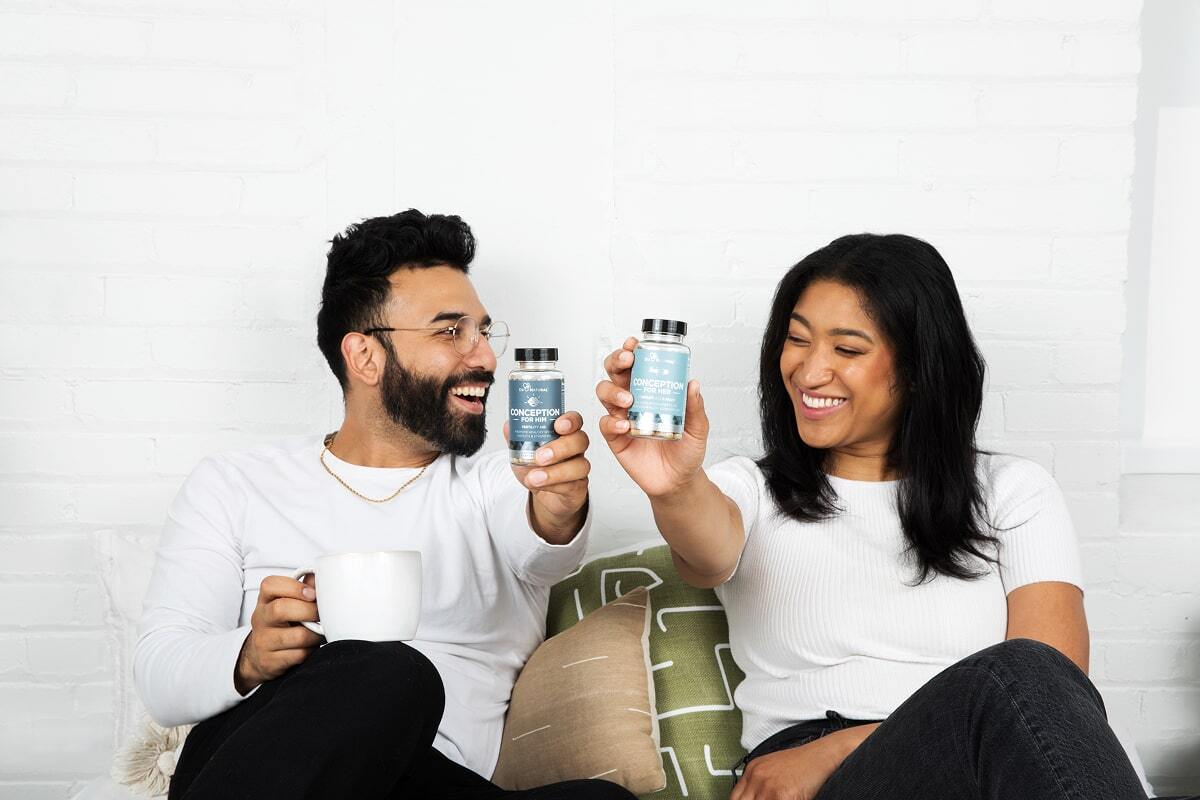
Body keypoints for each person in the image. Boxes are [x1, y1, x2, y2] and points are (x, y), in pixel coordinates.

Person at [596, 233, 1151, 800]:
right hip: (829, 782)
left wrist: (839, 747)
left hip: (967, 763)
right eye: (797, 340)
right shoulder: (753, 491)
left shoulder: (1013, 492)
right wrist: (675, 486)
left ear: (917, 367)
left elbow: (1052, 688)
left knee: (1026, 676)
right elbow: (706, 552)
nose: (810, 373)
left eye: (848, 350)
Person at [135, 210, 635, 800]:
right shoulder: (236, 483)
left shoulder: (499, 481)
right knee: (391, 674)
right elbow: (160, 674)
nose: (484, 357)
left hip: (431, 786)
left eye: (482, 331)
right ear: (365, 356)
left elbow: (543, 542)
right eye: (450, 332)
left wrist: (559, 505)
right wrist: (249, 657)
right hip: (271, 767)